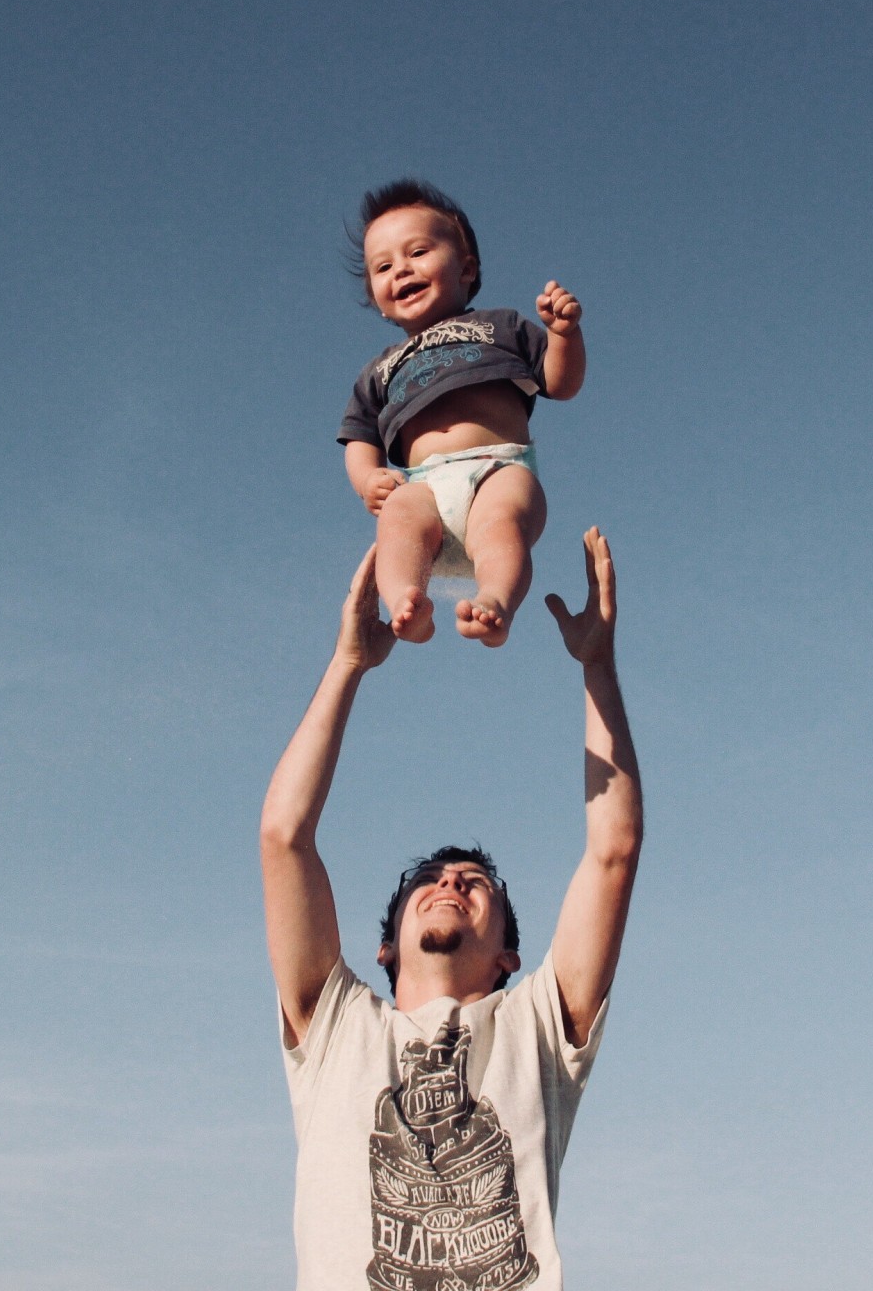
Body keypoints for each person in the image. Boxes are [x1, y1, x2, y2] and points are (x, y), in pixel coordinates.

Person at [260, 529, 642, 1291]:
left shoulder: (536, 1028)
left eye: (476, 883)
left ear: (509, 957)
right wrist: (347, 665)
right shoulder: (336, 1029)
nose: (451, 883)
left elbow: (613, 849)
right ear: (384, 948)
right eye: (429, 880)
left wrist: (598, 665)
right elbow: (284, 837)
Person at [338, 179, 586, 648]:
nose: (401, 270)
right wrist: (368, 479)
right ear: (376, 298)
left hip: (499, 467)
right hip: (422, 484)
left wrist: (563, 336)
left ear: (466, 267)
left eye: (418, 252)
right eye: (384, 266)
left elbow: (560, 383)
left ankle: (495, 601)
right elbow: (359, 436)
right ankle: (406, 602)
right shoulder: (380, 369)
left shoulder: (500, 326)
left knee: (500, 526)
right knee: (397, 520)